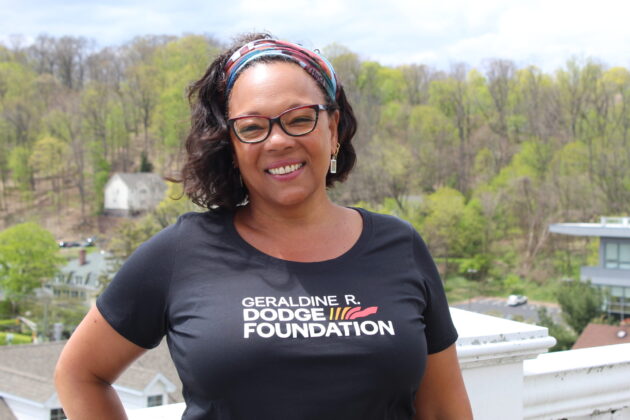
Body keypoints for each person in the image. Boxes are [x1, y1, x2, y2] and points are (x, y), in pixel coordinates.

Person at [55, 33, 473, 420]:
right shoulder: (182, 251)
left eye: (299, 118)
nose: (277, 141)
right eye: (252, 127)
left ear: (333, 128)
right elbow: (80, 373)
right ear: (231, 146)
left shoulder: (398, 246)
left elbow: (443, 408)